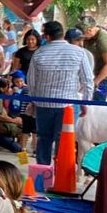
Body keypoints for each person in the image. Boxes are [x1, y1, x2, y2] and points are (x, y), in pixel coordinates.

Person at [28, 21, 93, 165]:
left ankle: (42, 174)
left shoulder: (39, 53)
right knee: (64, 141)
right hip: (69, 105)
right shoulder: (78, 52)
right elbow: (88, 80)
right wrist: (85, 102)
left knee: (43, 138)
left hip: (43, 104)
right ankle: (60, 175)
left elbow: (31, 81)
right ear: (62, 34)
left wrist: (33, 101)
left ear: (46, 36)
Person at [78, 16, 107, 100]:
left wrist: (95, 82)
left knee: (95, 107)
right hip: (89, 77)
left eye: (83, 34)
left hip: (102, 79)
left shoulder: (104, 39)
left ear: (90, 30)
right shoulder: (89, 38)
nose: (83, 37)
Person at [0, 78, 23, 153]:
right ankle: (21, 150)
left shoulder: (2, 98)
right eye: (8, 87)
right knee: (18, 148)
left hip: (3, 128)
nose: (10, 89)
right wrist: (13, 120)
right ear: (2, 89)